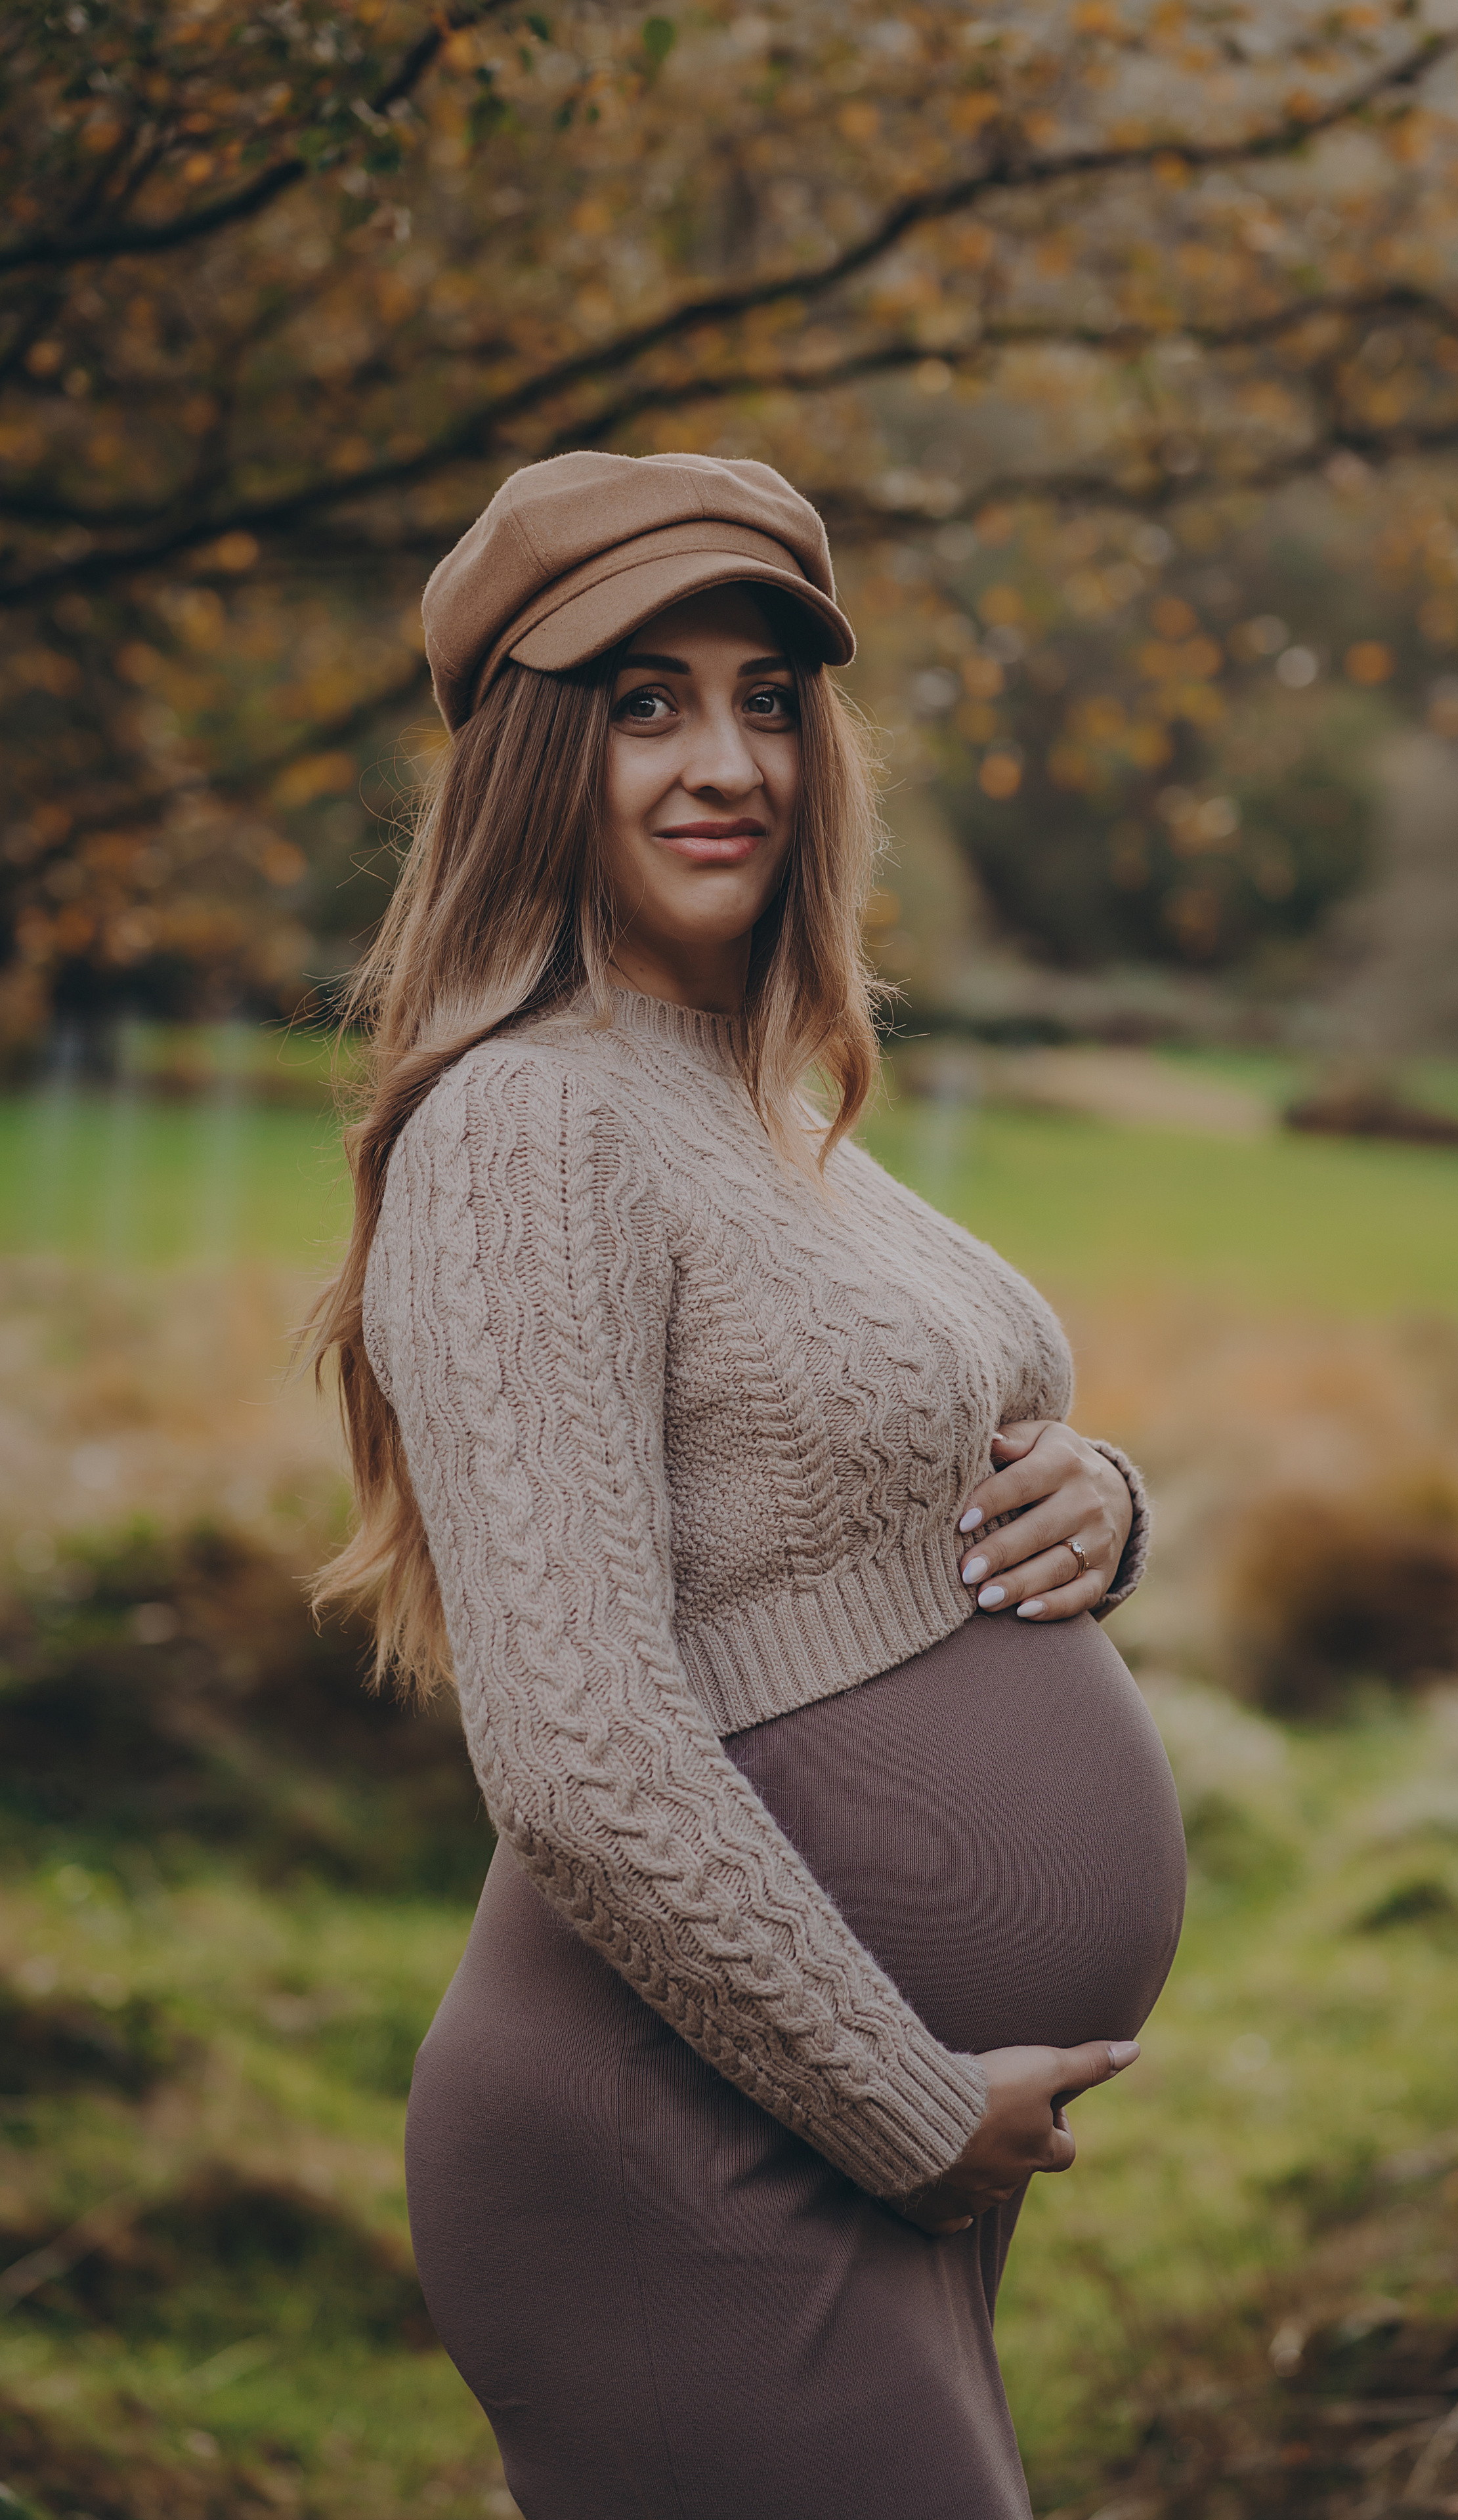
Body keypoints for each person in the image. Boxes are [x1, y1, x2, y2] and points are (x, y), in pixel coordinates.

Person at [309, 451, 1185, 2520]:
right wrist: (897, 2108)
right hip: (681, 2147)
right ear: (538, 753)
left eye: (769, 699)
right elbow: (581, 1747)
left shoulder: (738, 1090)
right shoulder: (531, 1122)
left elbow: (903, 1448)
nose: (729, 761)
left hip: (844, 2135)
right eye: (645, 701)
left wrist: (1111, 1504)